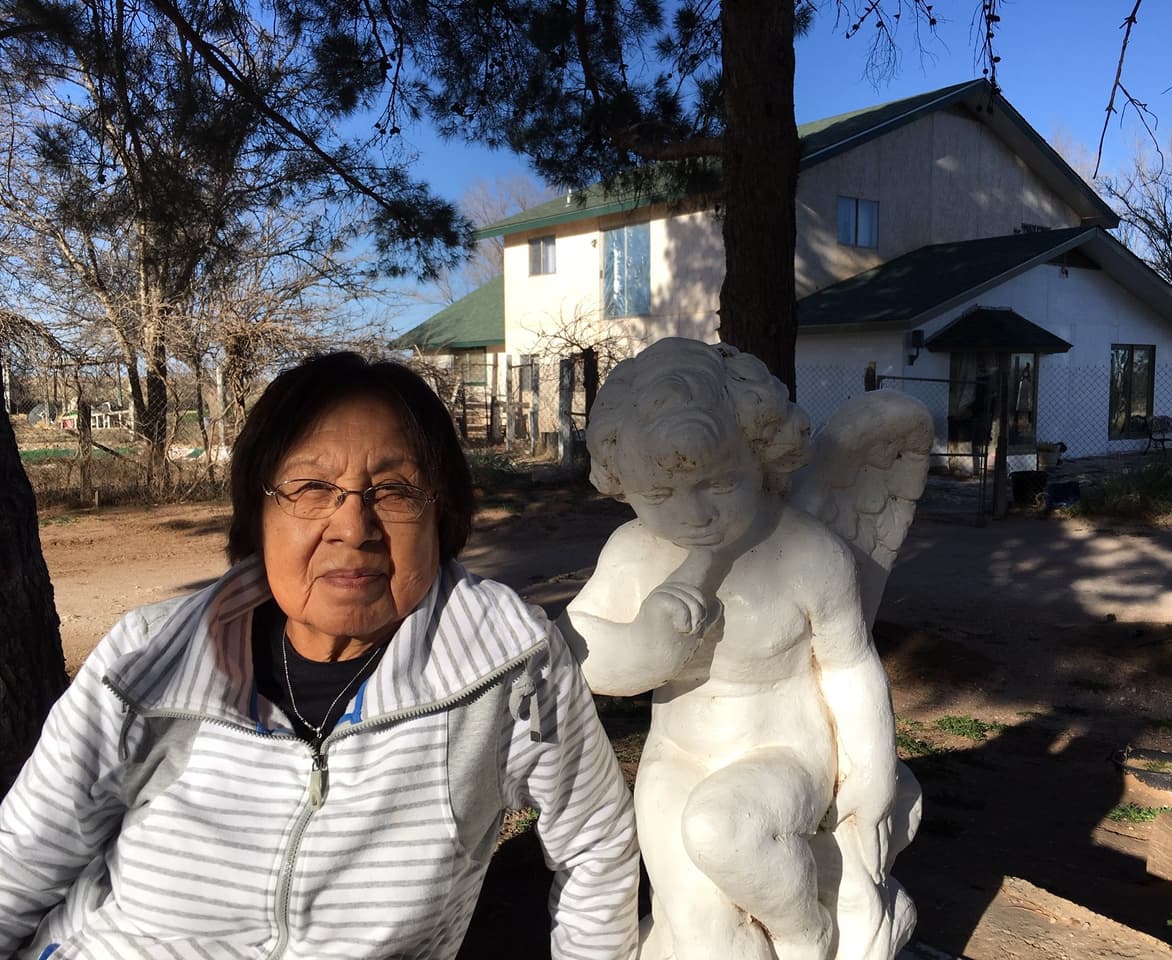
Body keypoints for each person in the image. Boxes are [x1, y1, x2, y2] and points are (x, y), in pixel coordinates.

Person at [0, 352, 639, 960]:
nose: (353, 527)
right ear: (259, 512)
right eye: (312, 487)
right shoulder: (152, 658)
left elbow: (596, 846)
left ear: (440, 515)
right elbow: (22, 858)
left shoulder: (508, 664)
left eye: (393, 490)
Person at [559, 339, 913, 960]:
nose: (693, 515)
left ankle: (812, 932)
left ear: (764, 458)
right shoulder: (633, 552)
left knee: (721, 828)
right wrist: (636, 652)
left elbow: (851, 666)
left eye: (719, 483)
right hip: (676, 756)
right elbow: (574, 652)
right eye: (661, 496)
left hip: (784, 754)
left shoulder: (810, 553)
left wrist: (875, 770)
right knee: (698, 935)